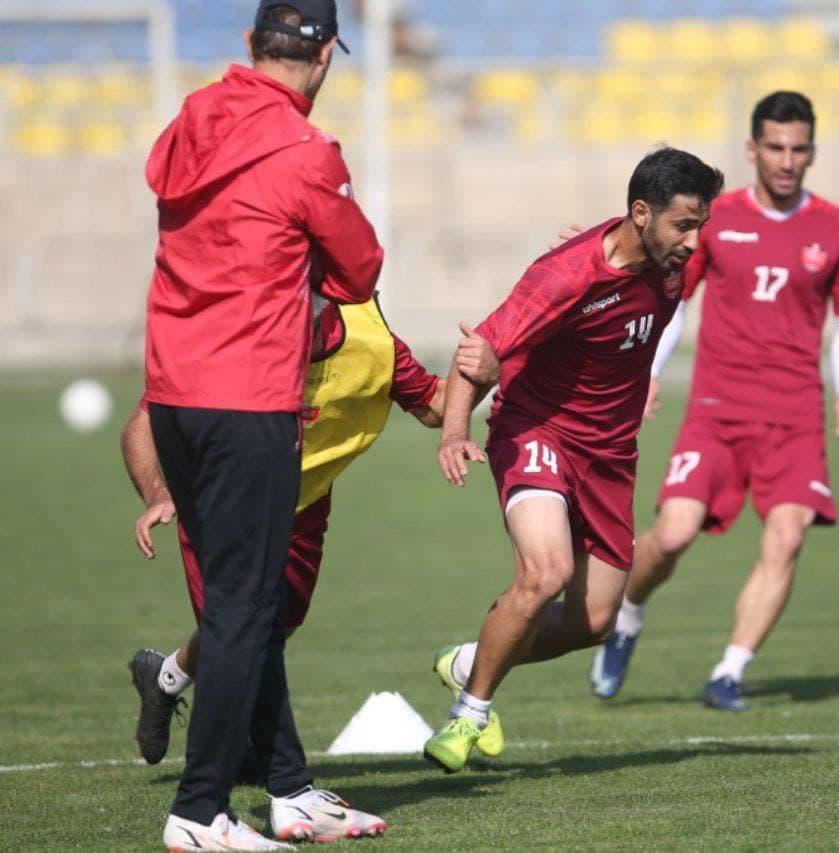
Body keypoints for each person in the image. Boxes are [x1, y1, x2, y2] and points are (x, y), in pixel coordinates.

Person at [142, 2, 384, 849]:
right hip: (248, 397)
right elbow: (361, 269)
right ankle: (199, 807)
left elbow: (165, 185)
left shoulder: (190, 119)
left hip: (172, 394)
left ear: (252, 46)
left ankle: (289, 790)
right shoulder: (307, 150)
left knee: (241, 604)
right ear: (322, 61)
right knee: (246, 609)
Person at [124, 295, 499, 840]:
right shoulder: (236, 330)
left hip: (303, 506)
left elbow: (436, 406)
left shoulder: (372, 337)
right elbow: (143, 423)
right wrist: (158, 493)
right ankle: (261, 796)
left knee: (266, 627)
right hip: (218, 500)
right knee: (252, 630)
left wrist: (484, 375)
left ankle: (167, 676)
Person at [423, 147, 724, 773]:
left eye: (701, 224)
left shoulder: (670, 258)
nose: (695, 241)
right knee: (545, 573)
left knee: (594, 621)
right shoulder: (563, 278)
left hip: (610, 454)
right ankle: (469, 716)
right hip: (538, 431)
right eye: (685, 224)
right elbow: (478, 352)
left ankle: (468, 662)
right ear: (642, 214)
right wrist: (454, 433)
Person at [589, 91, 839, 711]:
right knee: (673, 534)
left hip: (795, 412)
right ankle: (627, 616)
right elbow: (675, 302)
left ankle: (729, 673)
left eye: (798, 149)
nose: (787, 160)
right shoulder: (715, 220)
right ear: (753, 149)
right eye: (775, 147)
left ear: (813, 152)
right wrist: (649, 372)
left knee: (787, 539)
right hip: (718, 407)